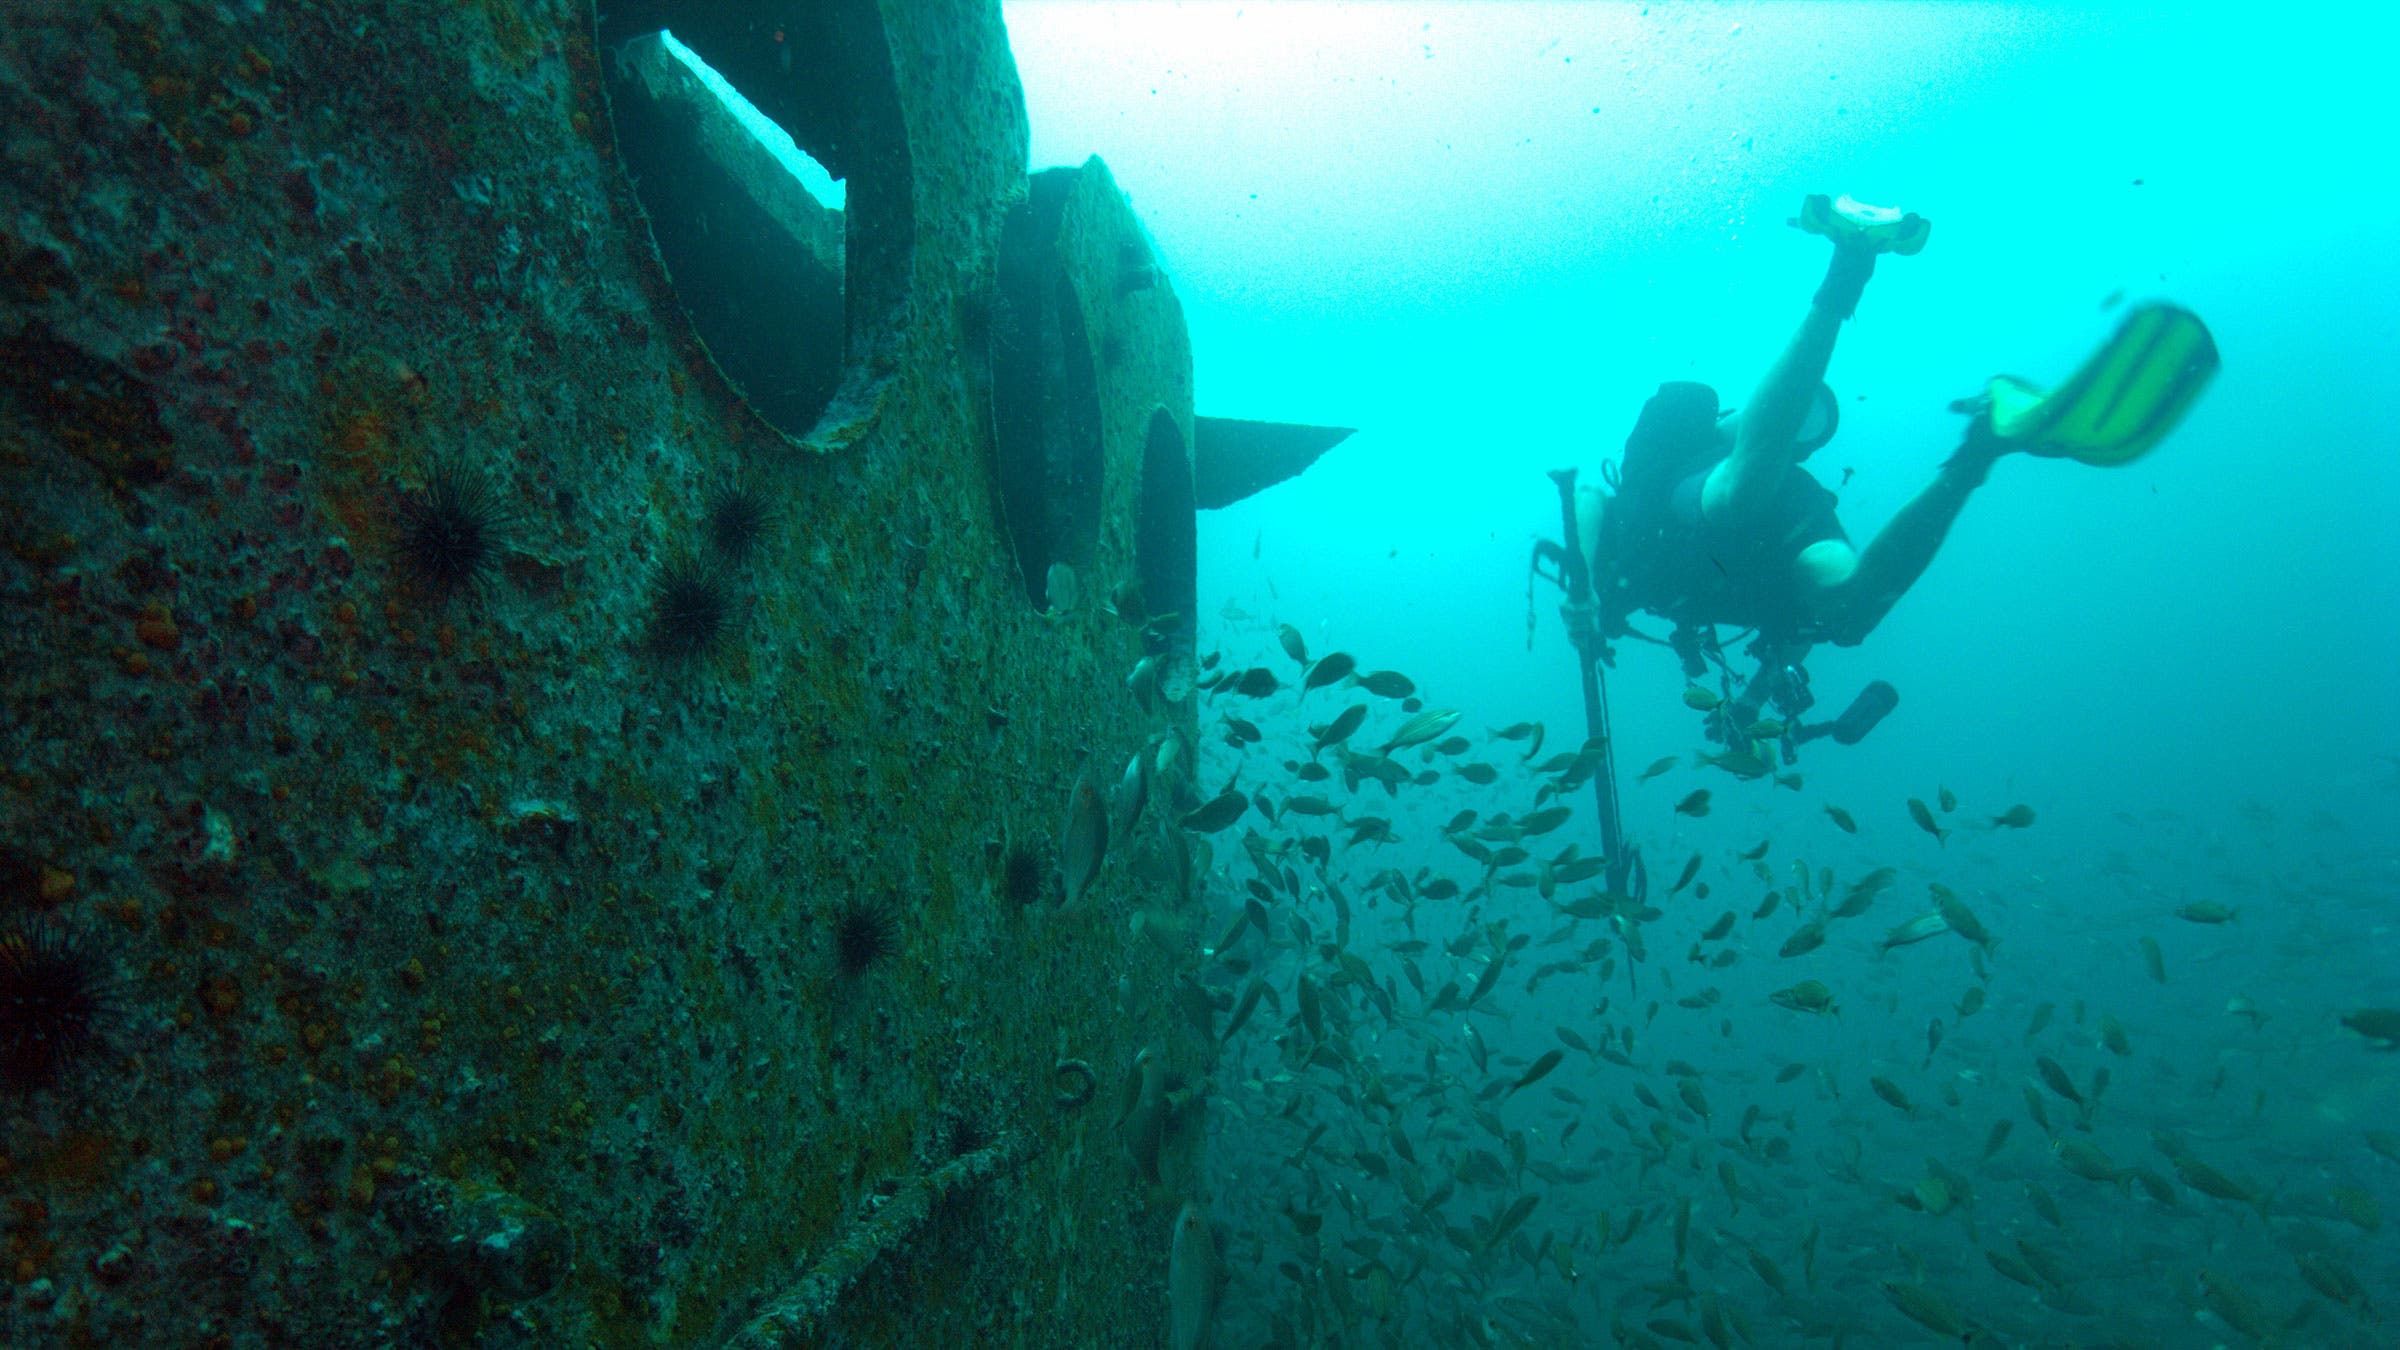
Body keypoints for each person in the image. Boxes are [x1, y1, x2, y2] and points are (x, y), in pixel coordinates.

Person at [1575, 195, 2006, 668]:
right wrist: (1584, 583)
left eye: (1807, 429)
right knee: (1739, 491)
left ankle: (1974, 457)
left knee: (1852, 615)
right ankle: (1848, 276)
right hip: (1689, 496)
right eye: (1793, 419)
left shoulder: (1797, 494)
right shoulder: (1680, 465)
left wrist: (1751, 703)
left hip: (1739, 509)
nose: (1800, 428)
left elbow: (1798, 629)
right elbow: (1589, 496)